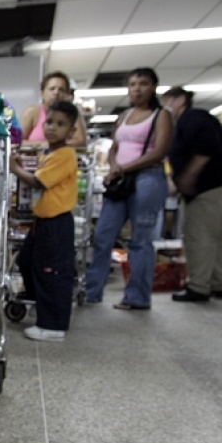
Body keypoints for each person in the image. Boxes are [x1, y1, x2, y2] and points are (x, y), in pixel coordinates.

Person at [84, 67, 173, 309]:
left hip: (148, 179)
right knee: (103, 236)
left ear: (153, 87)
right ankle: (91, 291)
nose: (137, 89)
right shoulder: (123, 116)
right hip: (120, 180)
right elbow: (114, 147)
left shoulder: (161, 115)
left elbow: (159, 152)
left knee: (140, 240)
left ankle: (137, 297)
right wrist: (114, 167)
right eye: (133, 84)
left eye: (143, 84)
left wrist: (124, 168)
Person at [8, 100, 80, 341]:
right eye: (49, 122)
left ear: (71, 131)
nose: (52, 127)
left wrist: (15, 169)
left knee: (52, 272)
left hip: (56, 223)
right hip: (42, 221)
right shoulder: (49, 153)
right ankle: (38, 299)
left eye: (60, 124)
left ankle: (53, 325)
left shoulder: (65, 154)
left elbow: (39, 182)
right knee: (27, 261)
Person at [161, 86, 222, 302]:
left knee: (199, 237)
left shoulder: (194, 118)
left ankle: (199, 286)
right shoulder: (186, 122)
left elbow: (205, 149)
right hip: (212, 185)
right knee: (211, 237)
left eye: (167, 101)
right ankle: (217, 283)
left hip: (208, 186)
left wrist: (188, 177)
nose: (164, 107)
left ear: (180, 100)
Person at [20, 72, 87, 148]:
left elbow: (80, 141)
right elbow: (16, 142)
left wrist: (54, 145)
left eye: (61, 90)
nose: (56, 92)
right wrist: (44, 145)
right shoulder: (32, 112)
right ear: (42, 93)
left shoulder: (72, 113)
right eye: (52, 89)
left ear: (67, 95)